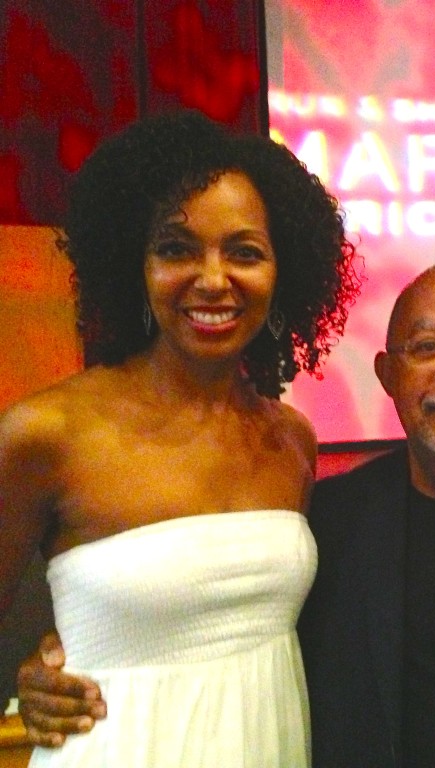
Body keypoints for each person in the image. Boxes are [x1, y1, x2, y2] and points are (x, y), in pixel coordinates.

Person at [16, 259, 435, 767]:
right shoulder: (317, 529)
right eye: (428, 349)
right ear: (388, 373)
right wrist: (47, 672)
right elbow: (208, 628)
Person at [0, 109, 360, 767]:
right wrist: (28, 683)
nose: (213, 278)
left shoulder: (290, 442)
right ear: (132, 263)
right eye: (176, 248)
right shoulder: (45, 433)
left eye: (244, 252)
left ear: (284, 272)